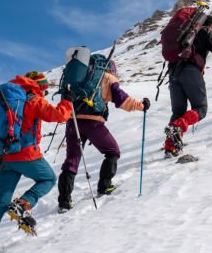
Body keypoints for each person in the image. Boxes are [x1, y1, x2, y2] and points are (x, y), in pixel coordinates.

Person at [0, 71, 72, 253]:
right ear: (38, 86)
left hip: (2, 156)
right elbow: (60, 116)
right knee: (48, 178)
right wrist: (67, 100)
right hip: (26, 155)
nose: (44, 92)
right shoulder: (34, 100)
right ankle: (23, 203)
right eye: (44, 89)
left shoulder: (5, 98)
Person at [57, 60, 148, 211]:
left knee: (72, 160)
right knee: (113, 151)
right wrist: (142, 106)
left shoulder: (79, 77)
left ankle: (64, 201)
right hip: (93, 122)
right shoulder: (106, 77)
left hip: (73, 121)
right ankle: (104, 186)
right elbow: (122, 99)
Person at [164, 15, 212, 157]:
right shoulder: (206, 31)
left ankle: (170, 147)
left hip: (173, 73)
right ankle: (177, 126)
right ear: (210, 25)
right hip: (191, 71)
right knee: (201, 108)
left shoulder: (184, 33)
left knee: (178, 112)